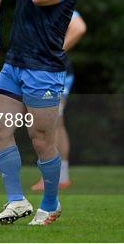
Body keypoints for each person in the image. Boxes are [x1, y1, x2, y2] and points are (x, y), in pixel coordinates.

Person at [0, 0, 91, 226]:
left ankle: (50, 204)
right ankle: (16, 201)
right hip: (14, 65)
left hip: (43, 71)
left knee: (41, 139)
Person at [31, 10, 87, 191]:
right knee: (56, 123)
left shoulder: (58, 4)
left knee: (49, 123)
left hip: (54, 73)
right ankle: (61, 177)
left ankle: (51, 178)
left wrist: (52, 52)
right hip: (52, 72)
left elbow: (79, 28)